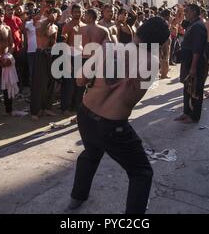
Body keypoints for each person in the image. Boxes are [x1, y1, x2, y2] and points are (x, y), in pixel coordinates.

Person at [68, 17, 170, 214]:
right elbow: (133, 96)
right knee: (141, 172)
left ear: (137, 31)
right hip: (113, 126)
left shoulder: (108, 49)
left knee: (90, 154)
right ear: (159, 42)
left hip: (86, 115)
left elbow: (80, 80)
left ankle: (76, 199)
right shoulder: (152, 62)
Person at [175, 4, 208, 124]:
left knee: (195, 90)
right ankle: (186, 112)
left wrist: (193, 67)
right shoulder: (192, 24)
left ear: (194, 12)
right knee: (187, 88)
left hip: (196, 63)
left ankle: (194, 116)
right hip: (187, 61)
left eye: (187, 11)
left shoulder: (198, 26)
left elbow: (197, 48)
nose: (185, 13)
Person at [30, 8, 58, 121]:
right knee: (38, 84)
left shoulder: (55, 27)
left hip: (50, 54)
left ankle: (47, 107)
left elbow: (53, 43)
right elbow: (40, 32)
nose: (51, 15)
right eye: (48, 13)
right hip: (41, 54)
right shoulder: (40, 24)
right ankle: (35, 111)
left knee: (51, 82)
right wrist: (48, 20)